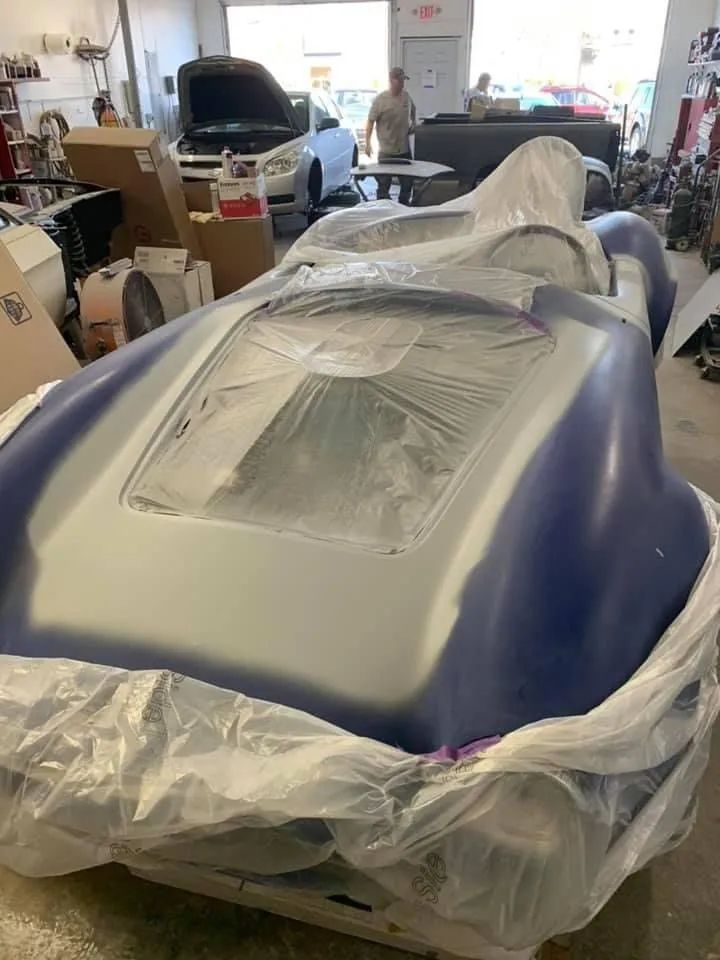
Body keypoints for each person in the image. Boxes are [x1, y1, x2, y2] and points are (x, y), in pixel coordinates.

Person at [365, 67, 417, 204]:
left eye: (403, 80)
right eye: (399, 80)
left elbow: (414, 109)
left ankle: (403, 208)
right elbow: (370, 122)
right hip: (386, 150)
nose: (402, 84)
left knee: (407, 184)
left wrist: (413, 123)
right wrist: (367, 143)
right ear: (391, 81)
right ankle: (383, 211)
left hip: (404, 150)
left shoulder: (406, 96)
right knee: (383, 187)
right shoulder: (380, 100)